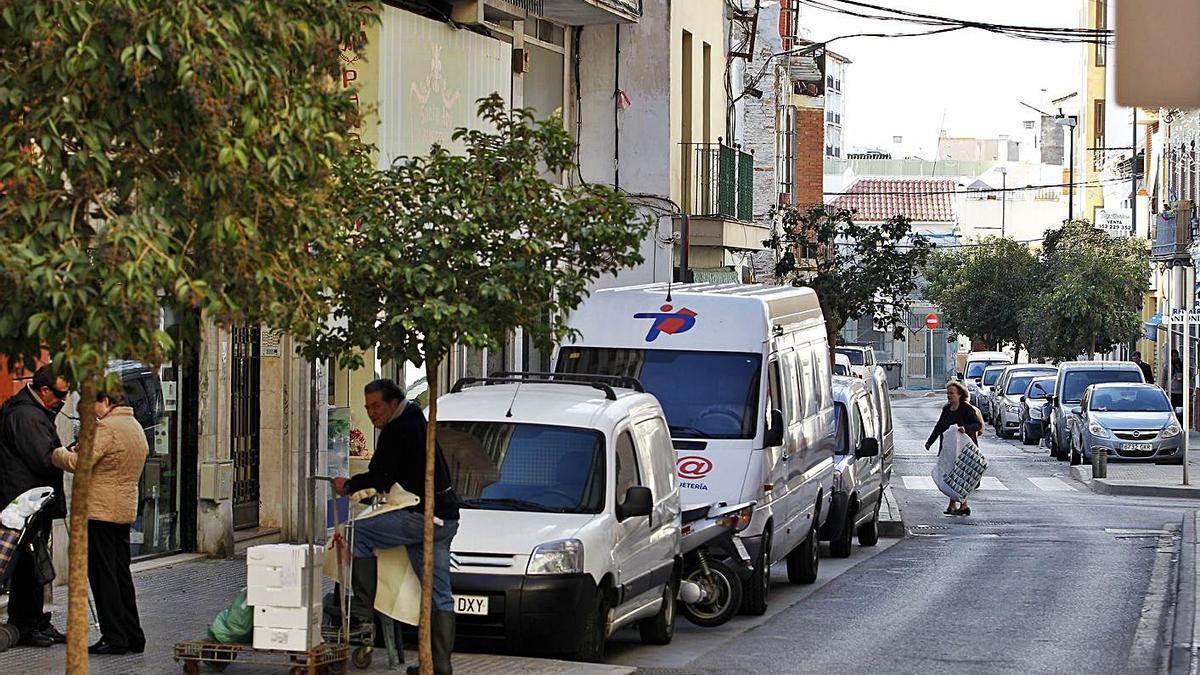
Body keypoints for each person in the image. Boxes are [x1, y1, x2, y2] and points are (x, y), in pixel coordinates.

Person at [334, 379, 459, 675]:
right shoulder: (416, 417)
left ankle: (362, 614)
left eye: (376, 406)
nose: (372, 413)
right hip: (446, 516)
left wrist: (348, 485)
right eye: (367, 408)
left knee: (357, 532)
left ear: (393, 402)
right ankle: (438, 666)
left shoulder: (397, 429)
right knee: (439, 593)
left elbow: (380, 477)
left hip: (422, 516)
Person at [52, 385, 149, 655]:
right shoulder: (134, 426)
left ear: (105, 401)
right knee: (120, 574)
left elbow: (79, 463)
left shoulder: (106, 428)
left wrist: (57, 453)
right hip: (122, 511)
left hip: (100, 511)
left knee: (103, 575)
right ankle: (133, 635)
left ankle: (114, 637)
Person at [0, 366, 71, 647]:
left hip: (32, 503)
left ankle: (34, 620)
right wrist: (68, 454)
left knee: (34, 563)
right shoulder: (26, 415)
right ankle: (26, 624)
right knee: (28, 567)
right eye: (61, 394)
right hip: (24, 504)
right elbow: (43, 458)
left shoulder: (32, 411)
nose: (64, 400)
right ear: (44, 391)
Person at [924, 380, 984, 517]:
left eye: (952, 393)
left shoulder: (966, 409)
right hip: (949, 448)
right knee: (951, 475)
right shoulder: (946, 409)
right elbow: (939, 426)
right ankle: (956, 505)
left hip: (964, 449)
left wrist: (966, 429)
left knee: (961, 476)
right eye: (948, 393)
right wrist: (929, 442)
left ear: (959, 395)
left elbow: (978, 425)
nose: (949, 396)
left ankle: (962, 504)